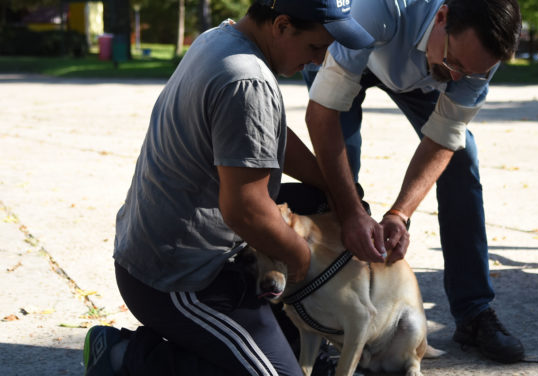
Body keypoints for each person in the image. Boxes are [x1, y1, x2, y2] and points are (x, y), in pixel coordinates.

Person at [81, 1, 374, 375]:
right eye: (316, 47)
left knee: (322, 200)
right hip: (178, 281)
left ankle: (289, 334)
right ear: (282, 26)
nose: (319, 60)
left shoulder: (222, 38)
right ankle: (125, 356)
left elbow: (265, 135)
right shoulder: (246, 79)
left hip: (165, 250)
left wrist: (339, 191)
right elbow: (246, 210)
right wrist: (301, 259)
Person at [303, 0, 525, 364]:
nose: (457, 78)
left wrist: (399, 214)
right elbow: (322, 115)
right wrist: (352, 210)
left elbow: (446, 134)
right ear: (441, 17)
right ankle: (325, 316)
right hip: (358, 43)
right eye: (456, 63)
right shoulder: (380, 9)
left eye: (468, 72)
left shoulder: (480, 51)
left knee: (462, 159)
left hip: (418, 66)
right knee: (339, 171)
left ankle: (473, 311)